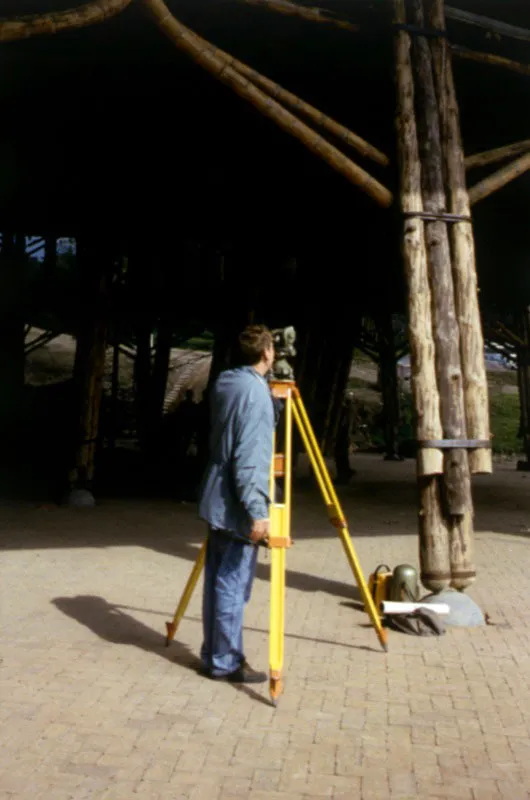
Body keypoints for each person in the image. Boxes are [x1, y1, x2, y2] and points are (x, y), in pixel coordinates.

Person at [197, 324, 275, 683]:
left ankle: (214, 653)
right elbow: (249, 458)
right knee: (232, 583)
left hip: (215, 497)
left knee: (217, 582)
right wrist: (258, 511)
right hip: (235, 505)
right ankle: (225, 661)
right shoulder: (256, 394)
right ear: (268, 353)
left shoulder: (226, 383)